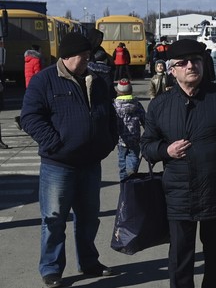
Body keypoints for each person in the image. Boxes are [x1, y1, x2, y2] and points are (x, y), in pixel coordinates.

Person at [141, 39, 216, 288]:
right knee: (180, 258)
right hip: (178, 194)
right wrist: (166, 150)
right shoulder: (160, 105)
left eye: (195, 61)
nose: (190, 66)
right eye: (182, 63)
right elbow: (146, 146)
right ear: (171, 69)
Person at [20, 32, 118, 288]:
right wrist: (55, 144)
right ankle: (51, 269)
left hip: (90, 163)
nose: (87, 60)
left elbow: (109, 113)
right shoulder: (45, 80)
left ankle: (88, 262)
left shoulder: (97, 80)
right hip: (58, 165)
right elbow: (30, 117)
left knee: (89, 218)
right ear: (66, 55)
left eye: (88, 55)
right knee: (53, 219)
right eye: (82, 56)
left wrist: (108, 141)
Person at [113, 78, 145, 181]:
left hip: (120, 138)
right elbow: (144, 119)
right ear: (131, 90)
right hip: (135, 137)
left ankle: (123, 179)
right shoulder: (136, 104)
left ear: (118, 91)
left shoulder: (115, 106)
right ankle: (131, 170)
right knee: (134, 155)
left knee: (122, 158)